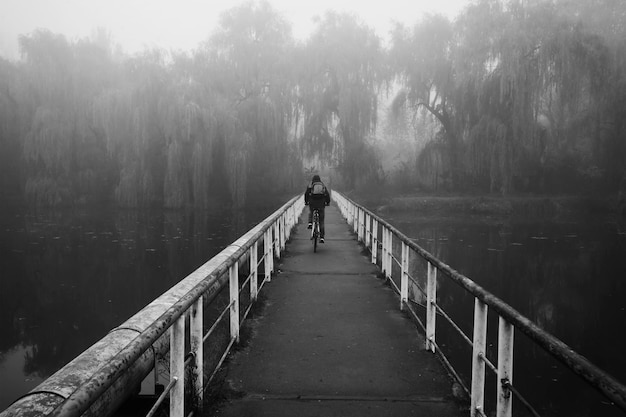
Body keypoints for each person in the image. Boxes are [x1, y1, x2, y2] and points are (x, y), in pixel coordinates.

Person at [304, 174, 331, 243]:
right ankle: (322, 237)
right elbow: (327, 195)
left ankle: (310, 223)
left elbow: (306, 194)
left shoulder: (310, 185)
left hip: (312, 203)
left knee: (311, 211)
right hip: (321, 204)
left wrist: (306, 202)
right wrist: (327, 202)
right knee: (321, 221)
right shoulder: (322, 185)